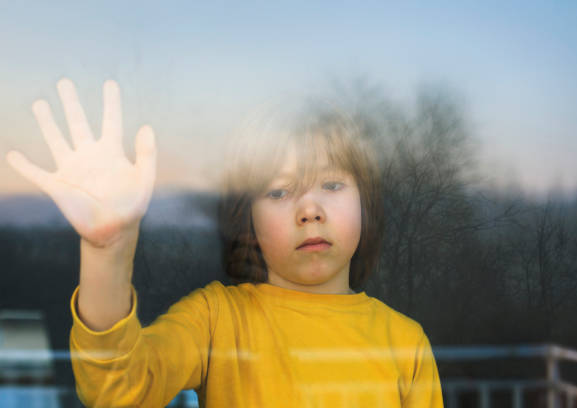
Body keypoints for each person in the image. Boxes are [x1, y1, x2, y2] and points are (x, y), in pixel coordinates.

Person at [6, 78, 444, 407]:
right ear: (247, 219)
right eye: (278, 191)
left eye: (331, 184)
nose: (309, 210)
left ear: (365, 199)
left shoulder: (405, 343)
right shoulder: (217, 320)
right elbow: (116, 390)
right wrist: (107, 250)